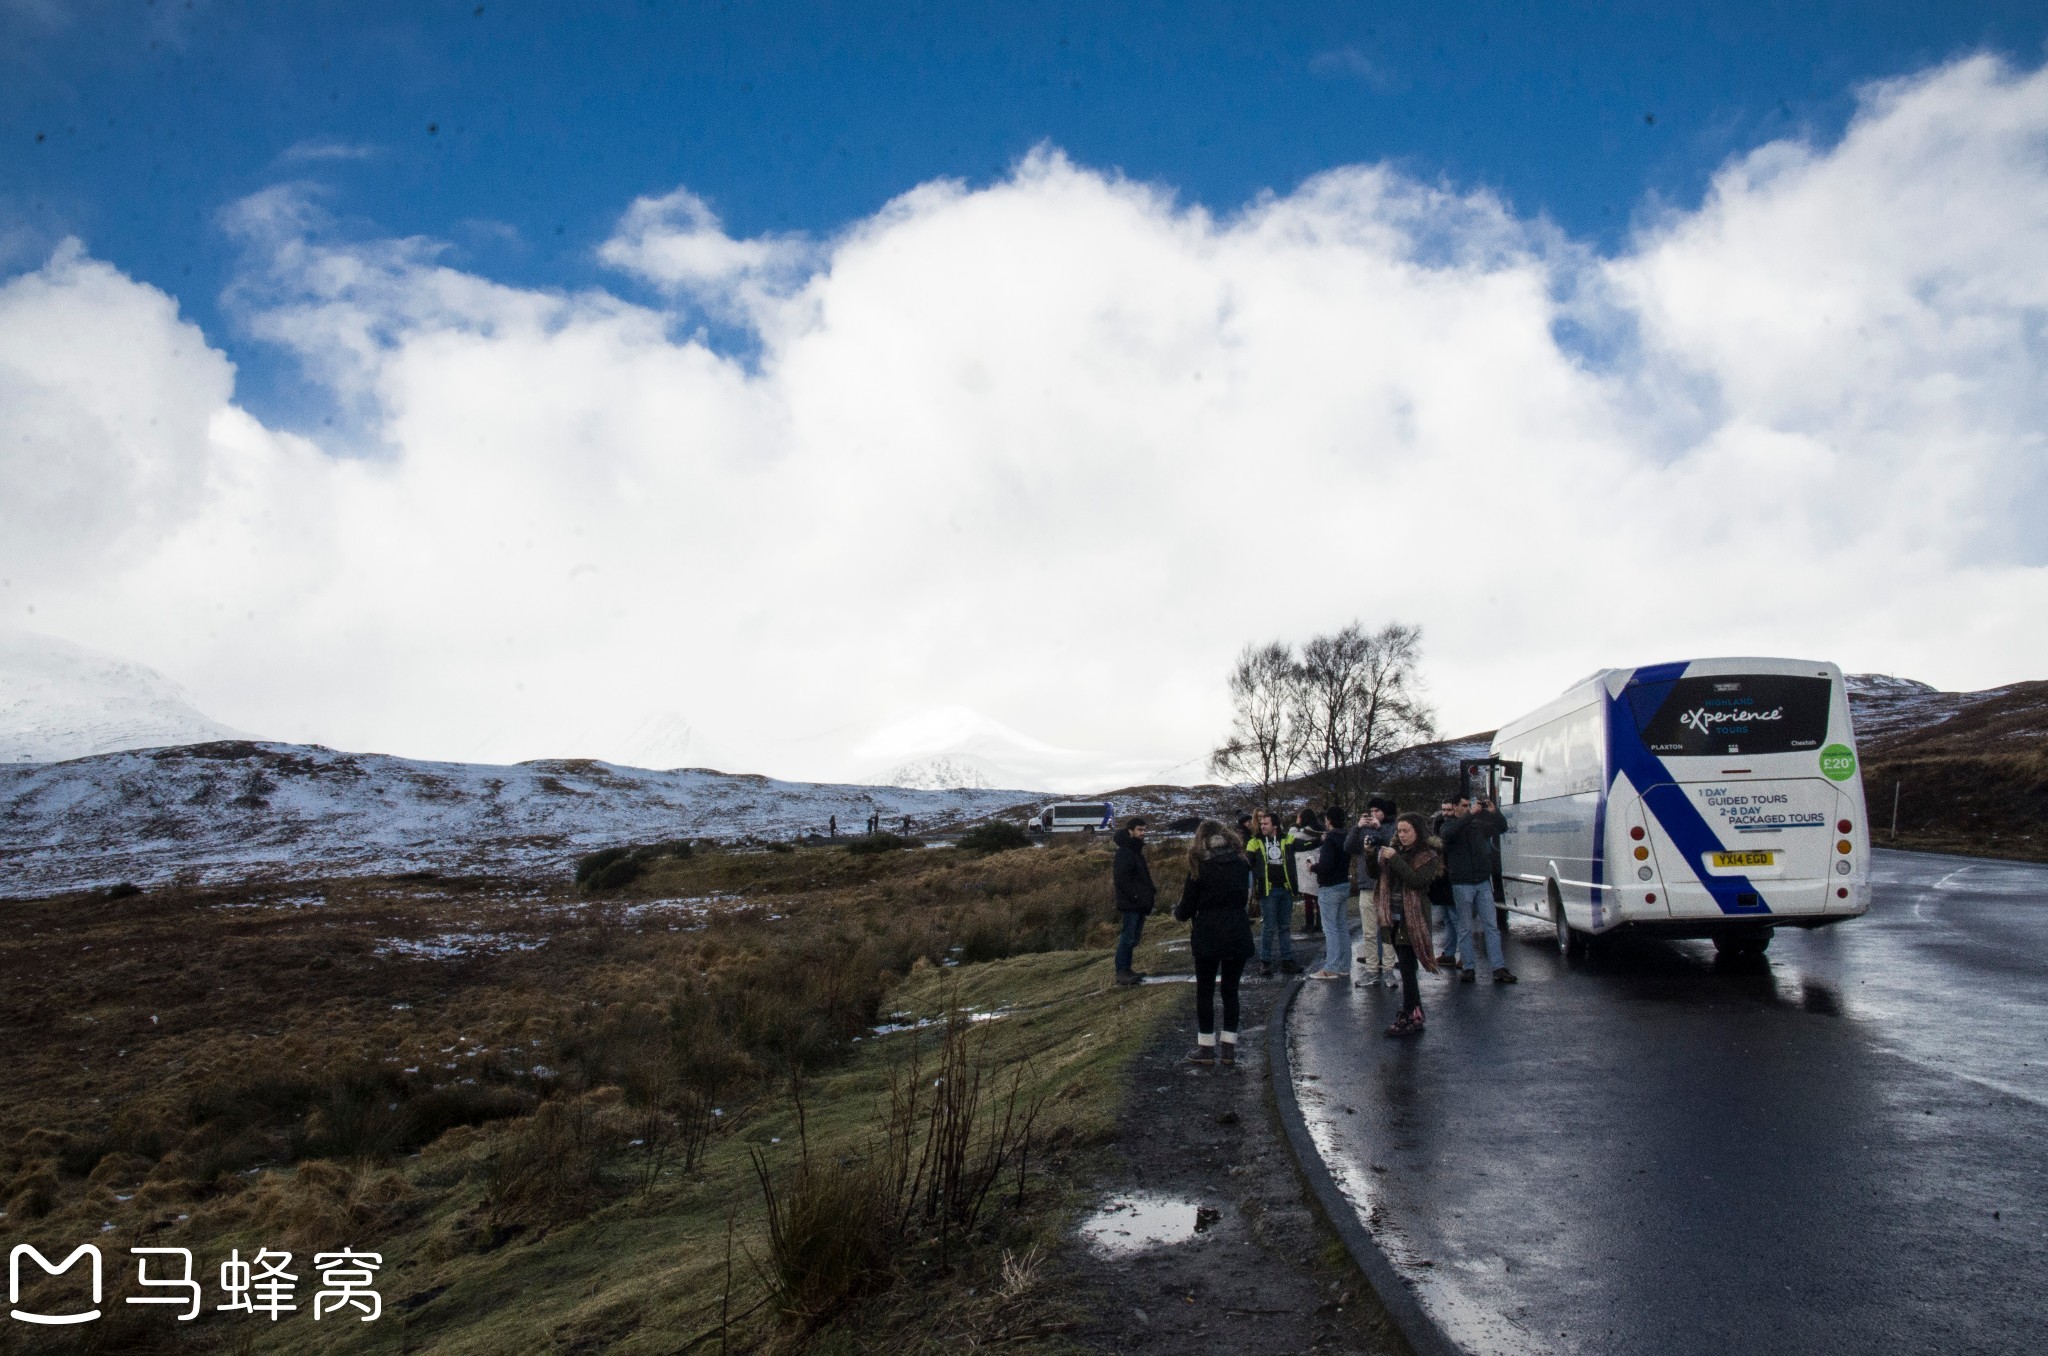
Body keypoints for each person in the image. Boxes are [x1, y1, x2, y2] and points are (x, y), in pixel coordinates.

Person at [1173, 820, 1257, 1065]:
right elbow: (1247, 896)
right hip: (1237, 930)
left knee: (1205, 991)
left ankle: (1206, 1048)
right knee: (1231, 991)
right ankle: (1229, 1049)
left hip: (1208, 933)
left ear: (1203, 839)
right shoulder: (1242, 863)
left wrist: (1177, 913)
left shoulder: (1200, 866)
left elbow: (1186, 908)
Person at [1374, 813, 1443, 1037]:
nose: (1402, 835)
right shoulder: (1397, 851)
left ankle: (1409, 1013)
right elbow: (1377, 874)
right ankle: (1414, 1012)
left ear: (1418, 832)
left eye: (1407, 831)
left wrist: (1394, 859)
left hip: (1412, 917)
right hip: (1393, 914)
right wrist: (1369, 855)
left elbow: (1415, 880)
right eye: (1400, 831)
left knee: (1406, 966)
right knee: (1406, 966)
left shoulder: (1428, 855)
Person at [1441, 794, 1516, 983]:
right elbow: (1449, 835)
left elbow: (1502, 828)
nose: (1468, 808)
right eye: (1464, 806)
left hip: (1482, 881)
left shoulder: (1477, 825)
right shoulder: (1447, 825)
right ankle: (1468, 967)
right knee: (1465, 927)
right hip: (1462, 882)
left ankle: (1498, 967)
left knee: (1491, 926)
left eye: (1469, 805)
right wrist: (1470, 816)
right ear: (1455, 807)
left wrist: (1494, 812)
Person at [1244, 809, 1304, 976]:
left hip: (1285, 889)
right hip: (1268, 891)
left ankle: (1287, 960)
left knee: (1285, 927)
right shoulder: (1255, 842)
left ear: (1275, 825)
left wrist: (1322, 838)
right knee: (1268, 927)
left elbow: (1305, 844)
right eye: (1261, 823)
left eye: (1265, 823)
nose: (1262, 826)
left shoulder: (1287, 839)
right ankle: (1265, 962)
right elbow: (1246, 861)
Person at [1347, 798, 1399, 986]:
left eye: (1377, 810)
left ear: (1385, 811)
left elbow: (1395, 846)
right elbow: (1349, 847)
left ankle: (1388, 970)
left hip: (1386, 885)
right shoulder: (1364, 829)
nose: (1373, 814)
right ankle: (1371, 969)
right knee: (1368, 931)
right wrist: (1357, 827)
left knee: (1387, 929)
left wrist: (1380, 829)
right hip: (1367, 885)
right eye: (1371, 811)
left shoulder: (1395, 827)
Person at [1308, 805, 1354, 980]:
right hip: (1343, 884)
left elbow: (1326, 866)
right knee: (1342, 926)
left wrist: (1313, 866)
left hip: (1330, 888)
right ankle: (1344, 965)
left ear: (1329, 820)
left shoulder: (1330, 840)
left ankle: (1332, 967)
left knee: (1331, 929)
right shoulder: (1346, 837)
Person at [1111, 815, 1157, 986]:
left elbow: (1142, 876)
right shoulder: (1125, 852)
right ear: (1130, 831)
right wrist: (1137, 897)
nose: (1142, 833)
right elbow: (1121, 879)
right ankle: (1122, 971)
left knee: (1133, 938)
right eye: (1139, 830)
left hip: (1138, 902)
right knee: (1128, 937)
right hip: (1132, 903)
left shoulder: (1135, 851)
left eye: (1144, 830)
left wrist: (1150, 892)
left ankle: (1127, 970)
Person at [1430, 796, 1464, 973]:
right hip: (1442, 878)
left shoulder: (1456, 827)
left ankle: (1464, 955)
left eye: (1449, 810)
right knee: (1448, 918)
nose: (1446, 813)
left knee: (1455, 917)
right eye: (1444, 810)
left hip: (1451, 877)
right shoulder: (1440, 823)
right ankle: (1450, 953)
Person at [1292, 807, 1325, 932]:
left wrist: (1294, 825)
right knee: (1318, 897)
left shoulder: (1305, 832)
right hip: (1318, 863)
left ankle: (1310, 924)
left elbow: (1292, 836)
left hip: (1307, 865)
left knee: (1308, 897)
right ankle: (1320, 923)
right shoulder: (1321, 830)